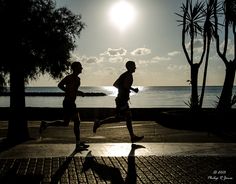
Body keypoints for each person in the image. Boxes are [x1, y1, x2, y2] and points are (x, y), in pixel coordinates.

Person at [39, 61, 89, 151]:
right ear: (75, 68)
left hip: (70, 103)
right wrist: (67, 91)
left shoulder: (78, 79)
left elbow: (73, 90)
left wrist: (79, 92)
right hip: (68, 103)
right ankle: (78, 144)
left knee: (65, 123)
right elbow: (60, 85)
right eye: (80, 67)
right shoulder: (69, 78)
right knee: (77, 122)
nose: (82, 68)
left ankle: (46, 124)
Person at [93, 61, 144, 143]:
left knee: (125, 117)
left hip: (122, 100)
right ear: (129, 67)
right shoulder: (127, 75)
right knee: (123, 117)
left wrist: (127, 89)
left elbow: (119, 85)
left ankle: (132, 136)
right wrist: (129, 90)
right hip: (121, 100)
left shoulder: (126, 75)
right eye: (134, 66)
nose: (135, 67)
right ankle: (99, 122)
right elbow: (120, 85)